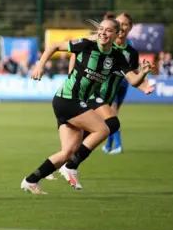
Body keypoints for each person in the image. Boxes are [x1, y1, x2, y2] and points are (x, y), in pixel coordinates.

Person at [21, 18, 152, 194]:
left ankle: (31, 180)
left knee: (67, 152)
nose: (103, 33)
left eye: (108, 31)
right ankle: (71, 167)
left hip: (74, 102)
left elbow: (133, 81)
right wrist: (40, 66)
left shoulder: (117, 57)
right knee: (103, 129)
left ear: (116, 34)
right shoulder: (85, 45)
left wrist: (143, 72)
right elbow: (53, 46)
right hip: (66, 99)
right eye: (101, 29)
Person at [56, 13, 153, 189]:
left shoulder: (130, 53)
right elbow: (76, 52)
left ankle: (60, 164)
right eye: (120, 24)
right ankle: (71, 165)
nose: (122, 28)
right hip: (94, 94)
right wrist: (72, 74)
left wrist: (144, 85)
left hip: (113, 93)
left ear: (129, 28)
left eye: (125, 25)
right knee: (112, 123)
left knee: (80, 141)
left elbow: (133, 77)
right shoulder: (101, 41)